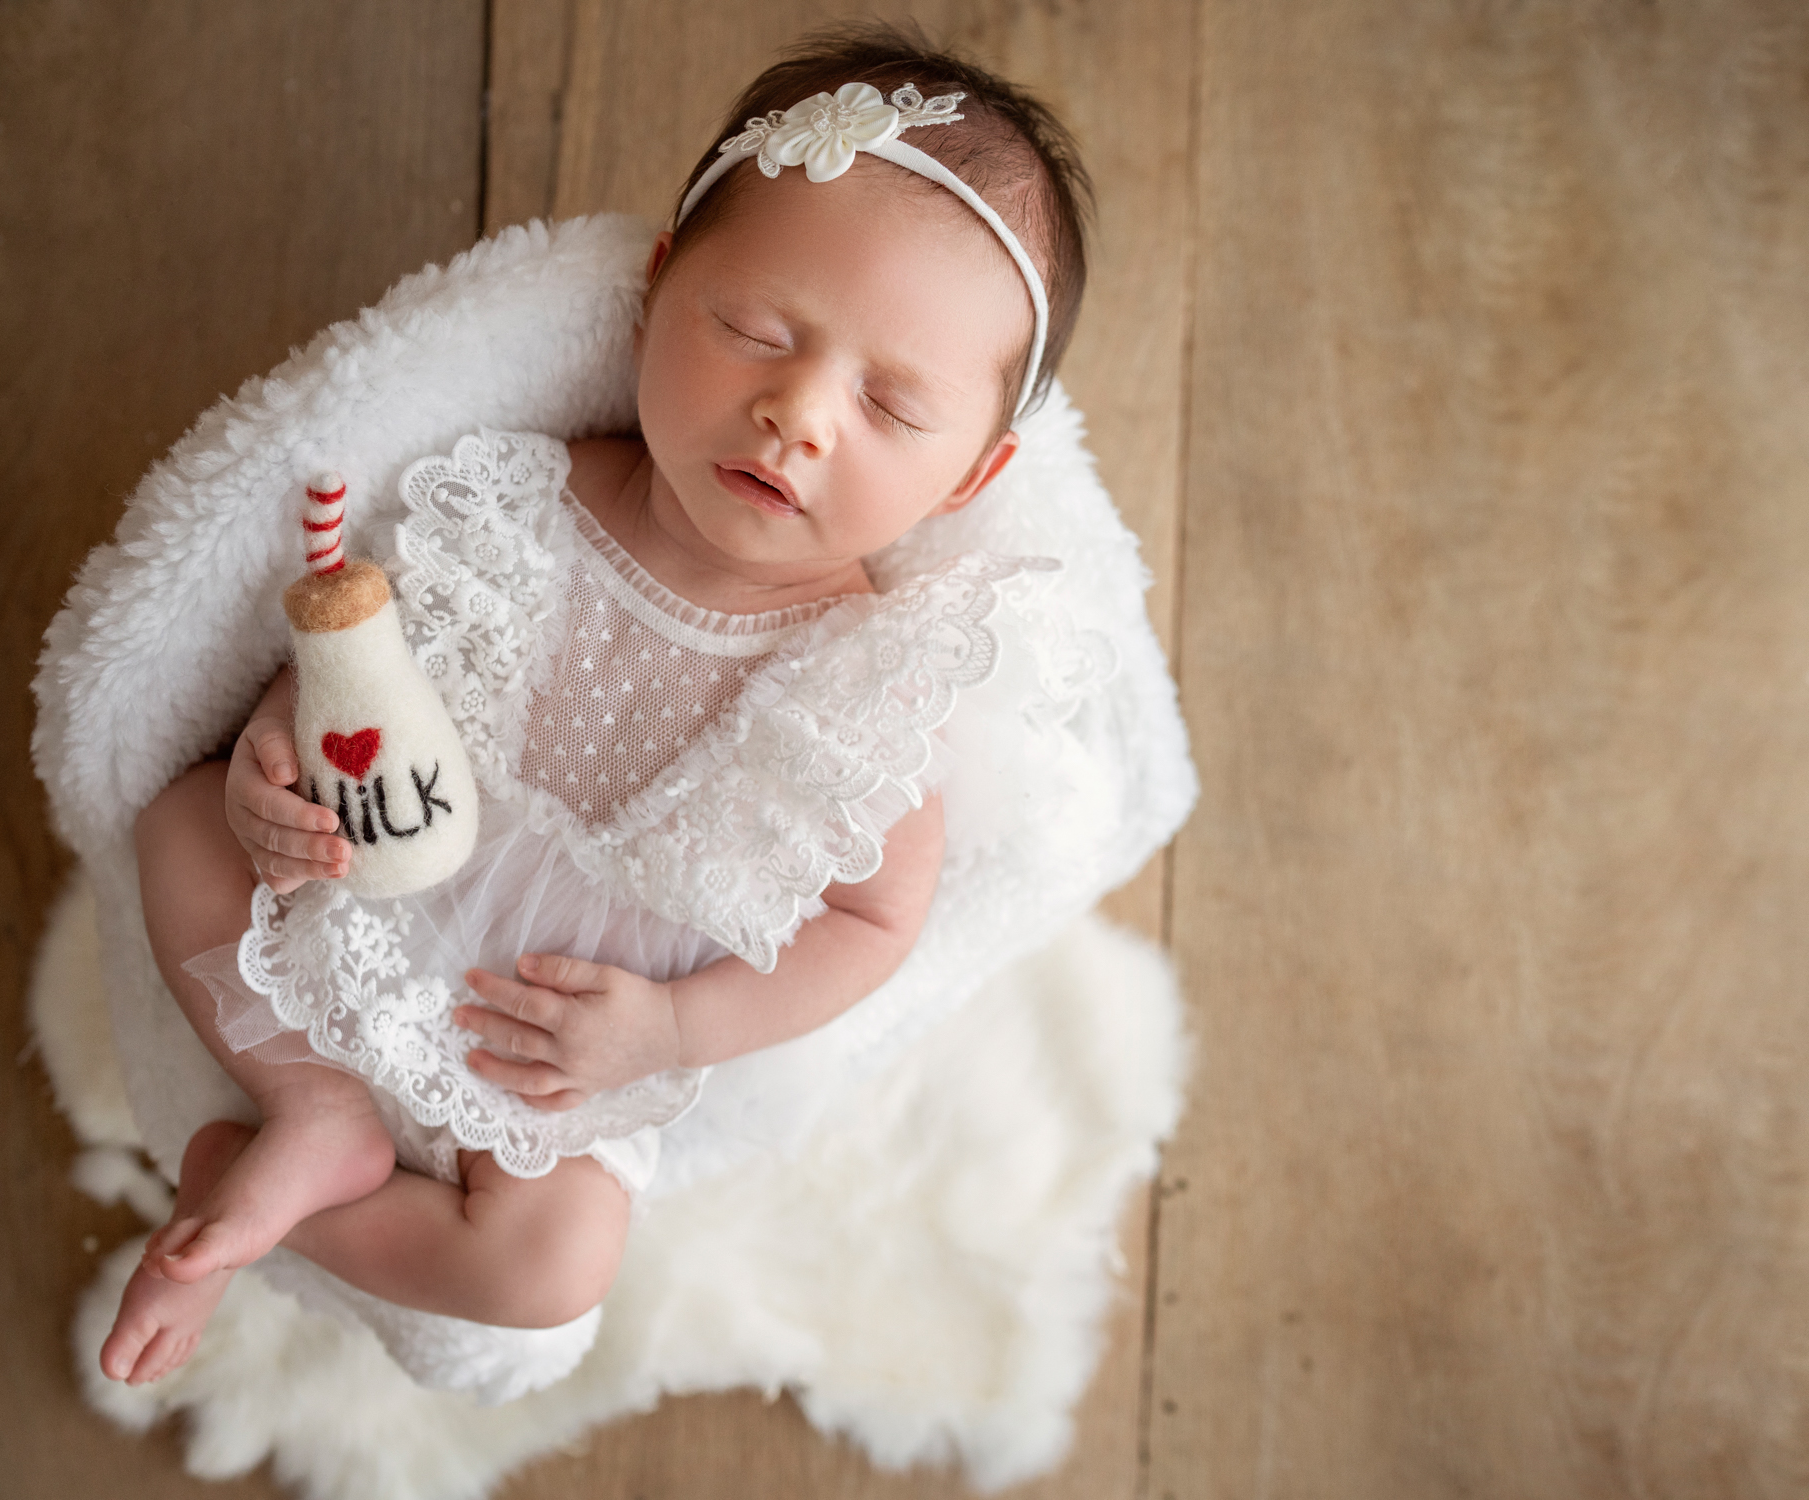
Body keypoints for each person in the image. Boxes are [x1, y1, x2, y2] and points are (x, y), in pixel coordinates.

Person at [100, 24, 1094, 1386]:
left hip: (549, 1041)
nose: (797, 414)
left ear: (968, 479)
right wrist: (274, 756)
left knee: (550, 1268)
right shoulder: (527, 496)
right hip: (360, 876)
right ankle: (307, 1103)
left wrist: (670, 1032)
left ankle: (290, 1209)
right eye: (753, 332)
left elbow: (870, 925)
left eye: (891, 406)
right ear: (657, 289)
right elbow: (370, 658)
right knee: (178, 827)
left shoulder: (864, 680)